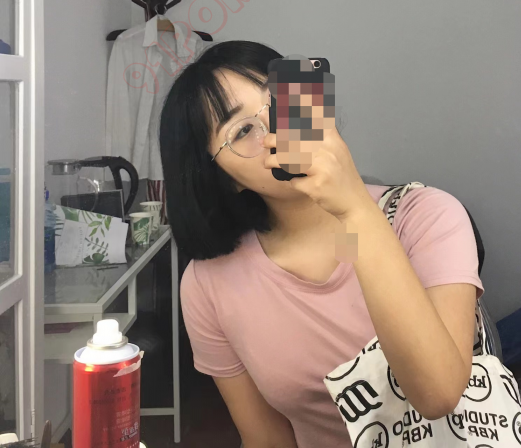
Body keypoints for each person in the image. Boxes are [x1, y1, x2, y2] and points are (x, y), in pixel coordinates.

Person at [160, 40, 483, 448]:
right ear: (224, 179)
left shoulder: (426, 216)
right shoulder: (209, 285)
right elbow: (266, 439)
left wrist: (355, 210)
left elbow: (438, 394)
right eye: (243, 130)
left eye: (280, 101)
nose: (276, 128)